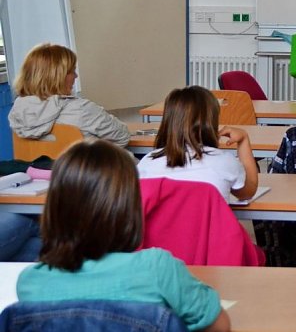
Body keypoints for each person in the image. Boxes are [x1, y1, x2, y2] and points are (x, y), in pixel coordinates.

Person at [16, 140, 230, 332]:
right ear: (128, 207)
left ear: (54, 208)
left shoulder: (30, 283)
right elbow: (219, 325)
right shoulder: (157, 269)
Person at [137, 86, 259, 201]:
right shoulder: (225, 161)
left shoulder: (146, 163)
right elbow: (247, 192)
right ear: (211, 122)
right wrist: (243, 140)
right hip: (208, 224)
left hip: (162, 224)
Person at [9, 43, 130, 147]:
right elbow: (123, 137)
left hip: (38, 173)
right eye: (71, 71)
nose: (76, 76)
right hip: (87, 172)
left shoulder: (18, 111)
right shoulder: (82, 109)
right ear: (57, 77)